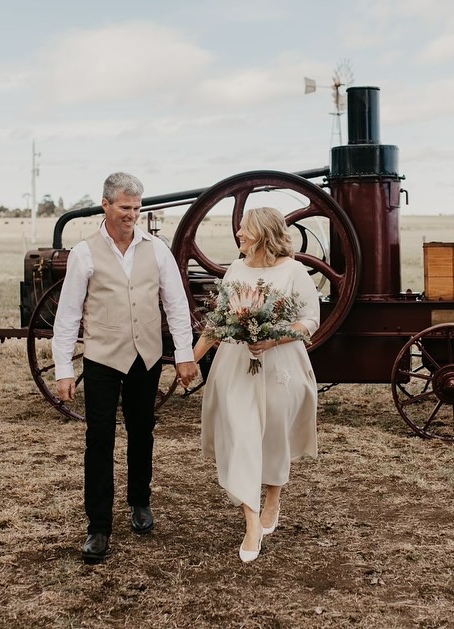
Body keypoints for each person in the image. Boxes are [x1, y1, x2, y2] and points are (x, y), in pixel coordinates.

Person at [52, 172, 198, 563]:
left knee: (141, 431)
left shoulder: (157, 249)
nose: (132, 214)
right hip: (102, 357)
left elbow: (176, 304)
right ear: (105, 205)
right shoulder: (85, 252)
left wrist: (184, 352)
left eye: (136, 207)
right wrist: (63, 366)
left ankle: (139, 501)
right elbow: (67, 315)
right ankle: (98, 527)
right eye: (124, 207)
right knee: (99, 439)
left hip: (146, 356)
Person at [192, 206, 320, 563]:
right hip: (236, 367)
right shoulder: (236, 269)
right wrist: (190, 357)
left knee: (274, 435)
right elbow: (218, 320)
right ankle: (250, 521)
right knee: (242, 436)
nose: (239, 235)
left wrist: (273, 337)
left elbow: (310, 320)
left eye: (245, 229)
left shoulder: (294, 271)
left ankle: (273, 499)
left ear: (263, 233)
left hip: (281, 366)